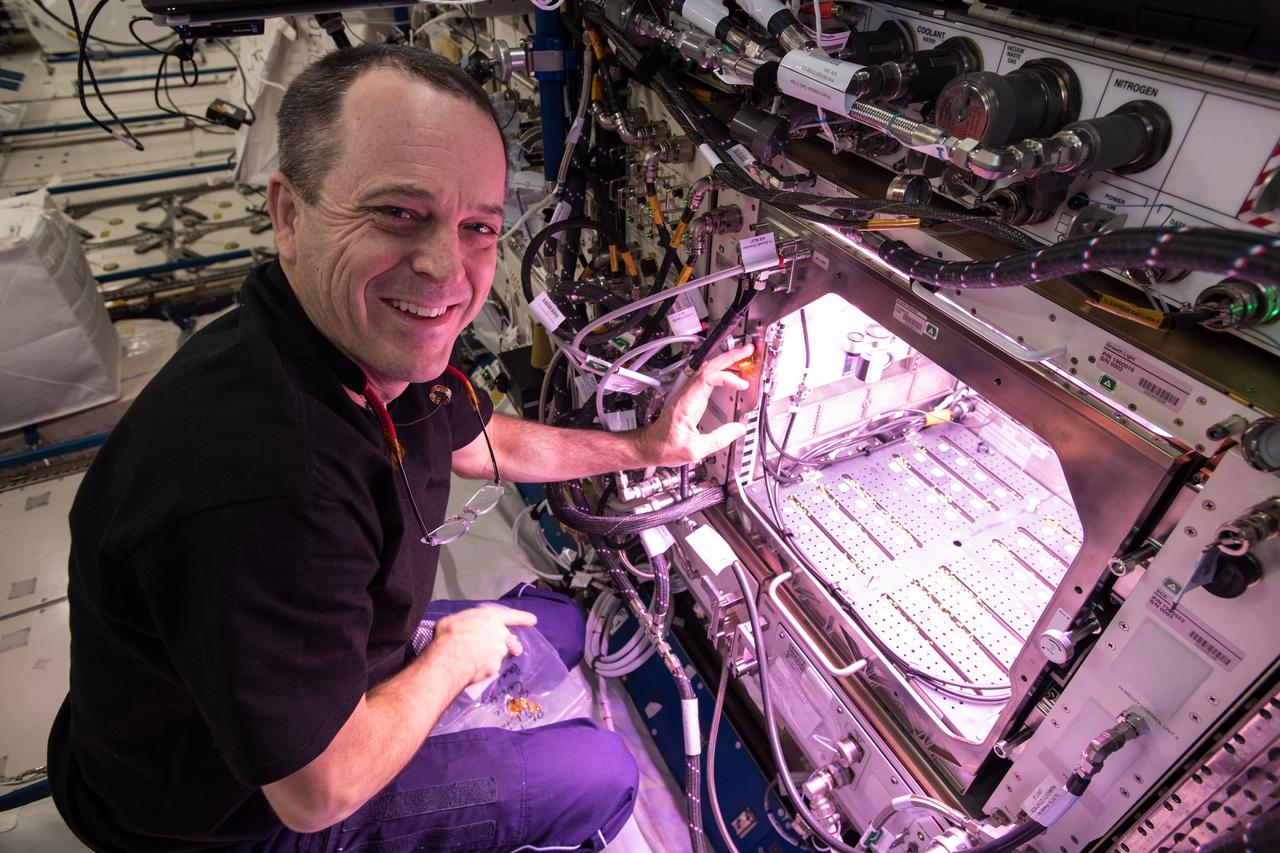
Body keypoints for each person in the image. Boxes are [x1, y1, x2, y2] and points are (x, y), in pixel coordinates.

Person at [46, 45, 751, 852]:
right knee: (598, 770)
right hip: (222, 818)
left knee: (553, 620)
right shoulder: (267, 487)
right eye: (397, 212)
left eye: (478, 226)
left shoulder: (341, 336)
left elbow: (483, 438)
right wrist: (448, 660)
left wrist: (647, 448)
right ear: (288, 213)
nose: (447, 271)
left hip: (232, 705)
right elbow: (319, 791)